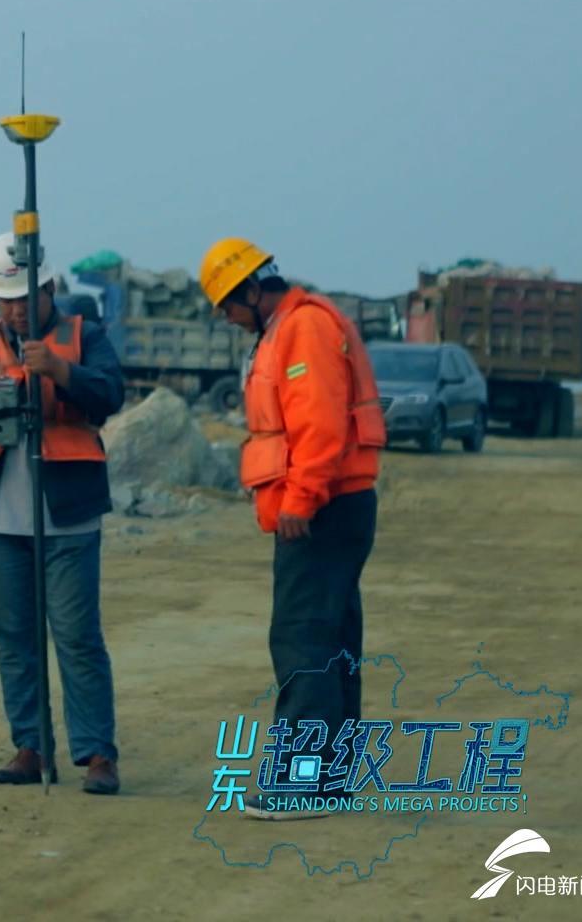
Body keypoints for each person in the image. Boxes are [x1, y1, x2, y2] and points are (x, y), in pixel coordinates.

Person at [0, 232, 127, 795]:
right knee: (13, 636)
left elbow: (111, 392)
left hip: (68, 516)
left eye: (24, 298)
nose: (15, 310)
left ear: (49, 288)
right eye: (5, 300)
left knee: (77, 636)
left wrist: (63, 372)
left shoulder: (86, 337)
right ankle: (30, 747)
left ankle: (97, 754)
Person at [197, 237, 385, 820]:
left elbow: (319, 426)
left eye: (228, 306)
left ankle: (302, 784)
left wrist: (300, 500)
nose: (227, 319)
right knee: (330, 640)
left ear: (254, 290)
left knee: (302, 639)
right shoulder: (291, 326)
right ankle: (330, 780)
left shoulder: (302, 328)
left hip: (321, 509)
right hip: (337, 504)